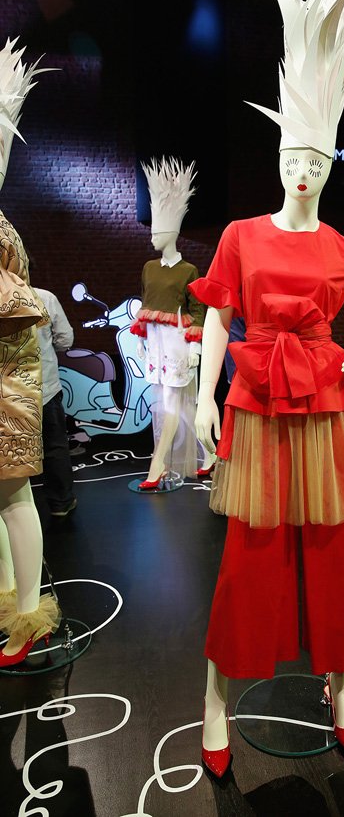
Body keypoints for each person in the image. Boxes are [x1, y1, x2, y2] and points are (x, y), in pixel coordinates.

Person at [189, 0, 344, 777]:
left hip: (327, 405)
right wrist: (205, 396)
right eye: (294, 156)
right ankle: (215, 697)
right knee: (249, 558)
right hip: (257, 402)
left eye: (317, 159)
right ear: (279, 155)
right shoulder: (242, 235)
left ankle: (341, 687)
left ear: (331, 164)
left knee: (337, 552)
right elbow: (218, 314)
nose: (303, 170)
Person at [0, 38, 61, 667]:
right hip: (12, 378)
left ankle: (27, 616)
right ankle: (12, 605)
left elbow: (17, 308)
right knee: (5, 500)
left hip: (8, 385)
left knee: (14, 497)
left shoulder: (2, 233)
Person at [131, 157, 209, 490]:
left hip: (178, 340)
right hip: (156, 342)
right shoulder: (149, 267)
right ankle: (212, 453)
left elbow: (198, 308)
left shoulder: (189, 270)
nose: (152, 238)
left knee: (172, 404)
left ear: (172, 233)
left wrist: (195, 347)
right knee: (170, 404)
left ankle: (157, 465)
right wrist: (141, 338)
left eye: (157, 232)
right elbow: (146, 302)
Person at [33, 286, 77, 516]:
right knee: (54, 445)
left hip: (7, 393)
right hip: (44, 388)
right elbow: (65, 339)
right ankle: (61, 503)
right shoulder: (44, 297)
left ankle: (12, 506)